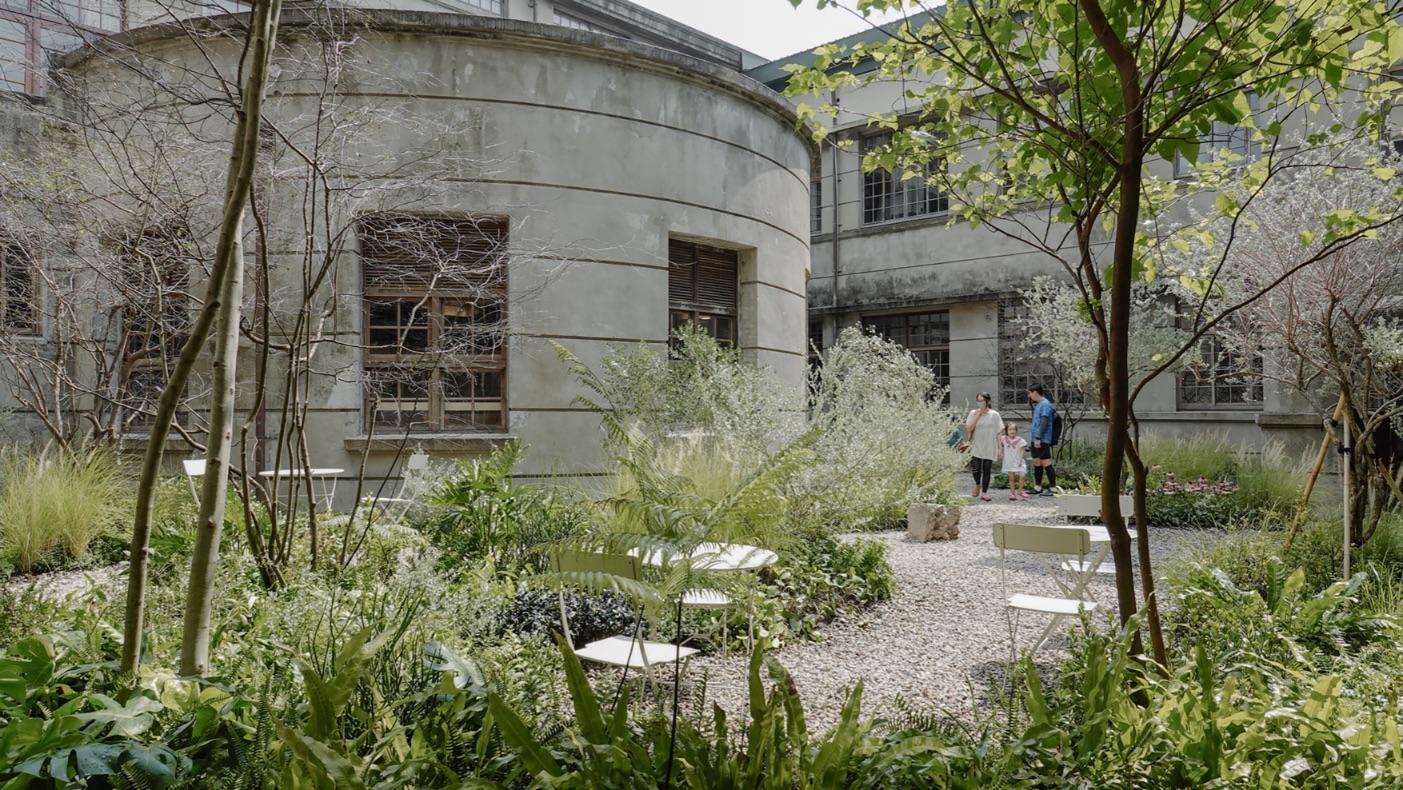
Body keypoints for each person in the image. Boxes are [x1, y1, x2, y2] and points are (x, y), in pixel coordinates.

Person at [964, 392, 1004, 502]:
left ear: (988, 401)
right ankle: (977, 484)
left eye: (982, 400)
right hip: (976, 444)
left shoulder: (994, 415)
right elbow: (968, 429)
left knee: (987, 469)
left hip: (989, 445)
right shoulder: (973, 413)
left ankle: (985, 492)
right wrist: (978, 415)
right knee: (976, 469)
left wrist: (1000, 448)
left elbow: (998, 433)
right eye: (978, 400)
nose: (980, 403)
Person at [1027, 385, 1058, 496]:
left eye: (1030, 393)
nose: (1029, 396)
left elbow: (1044, 422)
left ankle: (1053, 488)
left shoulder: (1045, 404)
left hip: (1042, 439)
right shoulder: (1038, 404)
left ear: (1035, 392)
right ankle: (1038, 487)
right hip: (1035, 439)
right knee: (1037, 462)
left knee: (1046, 462)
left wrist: (1039, 437)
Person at [1000, 423, 1029, 500]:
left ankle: (1020, 491)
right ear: (1006, 431)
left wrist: (1020, 460)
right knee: (1011, 478)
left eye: (1014, 429)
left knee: (1022, 475)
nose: (1012, 431)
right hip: (1009, 461)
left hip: (1019, 461)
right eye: (1010, 429)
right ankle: (1012, 493)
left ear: (1016, 431)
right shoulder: (1004, 439)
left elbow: (1022, 451)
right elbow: (996, 436)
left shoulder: (1020, 440)